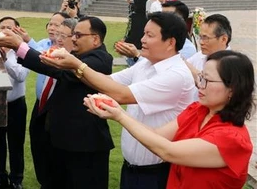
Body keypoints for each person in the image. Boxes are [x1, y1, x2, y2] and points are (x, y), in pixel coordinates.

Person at [41, 12, 195, 189]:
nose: (142, 39)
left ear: (170, 42)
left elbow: (122, 94)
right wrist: (75, 67)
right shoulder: (145, 63)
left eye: (150, 35)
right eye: (144, 33)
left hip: (158, 171)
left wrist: (77, 65)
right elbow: (108, 81)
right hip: (132, 167)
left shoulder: (176, 75)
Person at [84, 50, 255, 189]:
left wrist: (120, 115)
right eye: (200, 77)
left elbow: (167, 151)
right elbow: (158, 135)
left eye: (207, 80)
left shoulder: (231, 138)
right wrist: (116, 111)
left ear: (232, 89)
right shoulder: (198, 110)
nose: (200, 85)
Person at [0, 16, 115, 189]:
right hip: (62, 141)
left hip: (85, 147)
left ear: (95, 39)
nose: (72, 39)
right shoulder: (78, 55)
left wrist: (20, 46)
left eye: (77, 35)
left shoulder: (99, 60)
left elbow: (58, 68)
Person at [12, 12, 70, 188]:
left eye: (57, 25)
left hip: (56, 109)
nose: (52, 28)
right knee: (38, 144)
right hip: (40, 105)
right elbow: (35, 51)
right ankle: (44, 180)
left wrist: (21, 44)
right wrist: (26, 41)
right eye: (50, 24)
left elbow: (37, 58)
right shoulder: (45, 44)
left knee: (54, 149)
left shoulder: (68, 53)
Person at [0, 17, 29, 189]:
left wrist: (6, 59)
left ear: (17, 30)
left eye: (9, 27)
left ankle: (16, 179)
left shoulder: (24, 51)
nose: (5, 30)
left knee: (16, 144)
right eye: (2, 27)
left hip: (16, 104)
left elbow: (20, 76)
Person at [116, 0, 196, 66]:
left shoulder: (187, 49)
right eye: (162, 14)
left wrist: (137, 56)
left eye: (167, 16)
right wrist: (132, 55)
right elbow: (140, 70)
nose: (143, 40)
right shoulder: (159, 43)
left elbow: (158, 71)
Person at [186, 14, 232, 99]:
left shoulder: (234, 65)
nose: (201, 42)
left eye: (206, 38)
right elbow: (183, 63)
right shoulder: (200, 55)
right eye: (200, 37)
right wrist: (195, 72)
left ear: (223, 39)